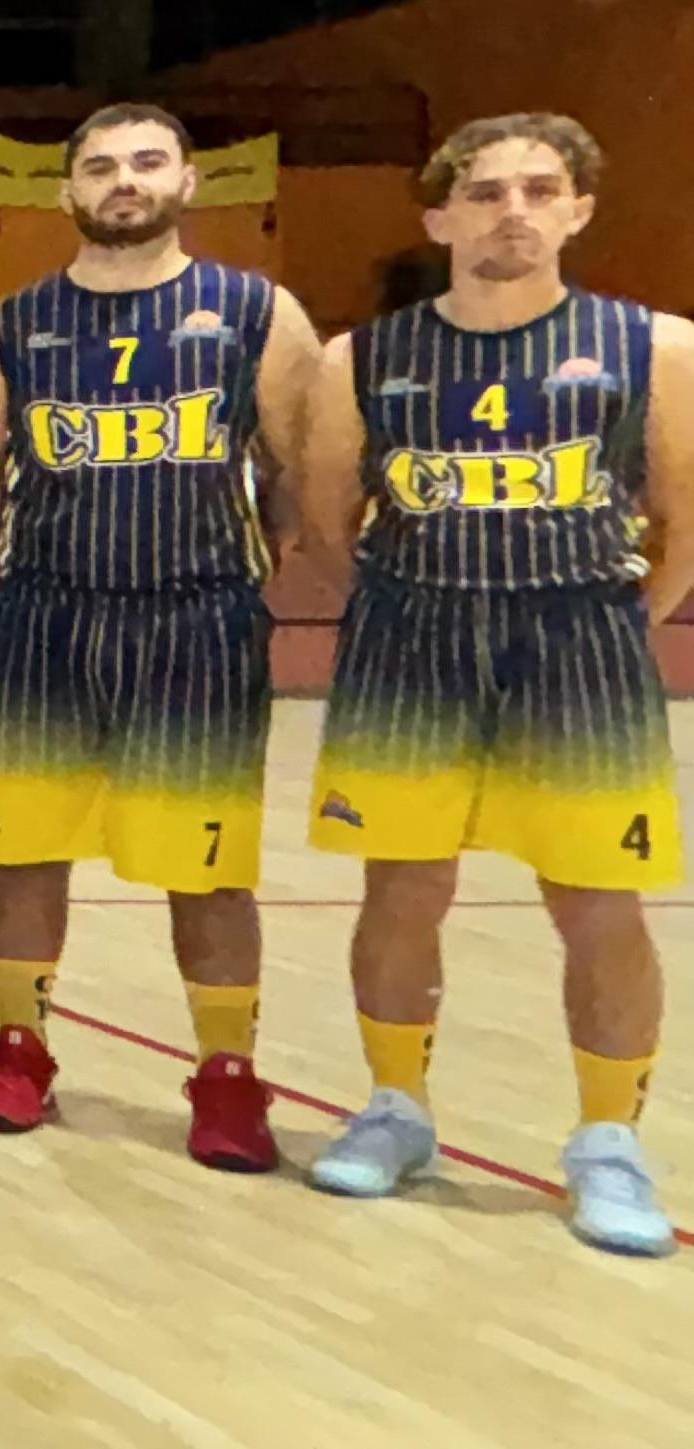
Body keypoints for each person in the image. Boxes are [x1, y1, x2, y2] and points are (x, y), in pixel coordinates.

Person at [294, 113, 688, 1255]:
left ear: (579, 210)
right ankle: (396, 1108)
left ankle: (608, 1143)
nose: (512, 210)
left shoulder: (656, 347)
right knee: (400, 891)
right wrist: (406, 606)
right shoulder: (360, 357)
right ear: (439, 217)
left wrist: (619, 621)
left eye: (540, 189)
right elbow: (326, 519)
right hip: (413, 644)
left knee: (599, 903)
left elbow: (682, 517)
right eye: (484, 191)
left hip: (579, 647)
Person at [0, 106, 317, 1164]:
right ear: (68, 189)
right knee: (28, 851)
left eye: (147, 163)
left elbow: (293, 471)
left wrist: (235, 554)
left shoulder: (257, 311)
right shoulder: (13, 321)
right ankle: (20, 1048)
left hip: (197, 619)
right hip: (49, 615)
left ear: (188, 181)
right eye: (101, 166)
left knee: (209, 867)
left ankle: (227, 1075)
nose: (124, 182)